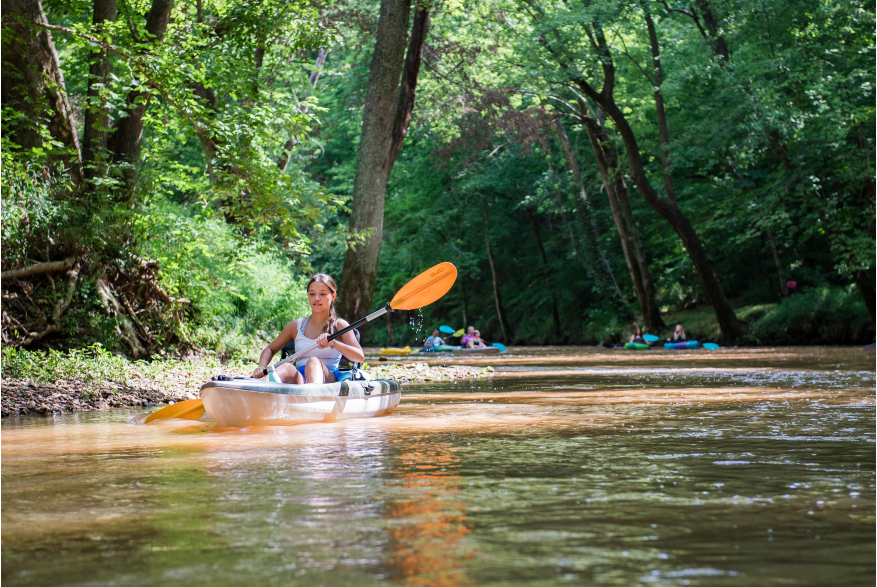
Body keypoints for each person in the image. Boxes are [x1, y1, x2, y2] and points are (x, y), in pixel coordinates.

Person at [253, 274, 364, 384]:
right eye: (312, 294)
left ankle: (313, 397)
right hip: (300, 380)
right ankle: (264, 390)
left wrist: (333, 343)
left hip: (328, 379)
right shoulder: (295, 326)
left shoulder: (340, 325)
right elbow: (270, 349)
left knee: (313, 362)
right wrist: (262, 366)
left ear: (333, 296)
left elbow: (359, 357)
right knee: (285, 366)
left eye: (322, 294)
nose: (316, 298)